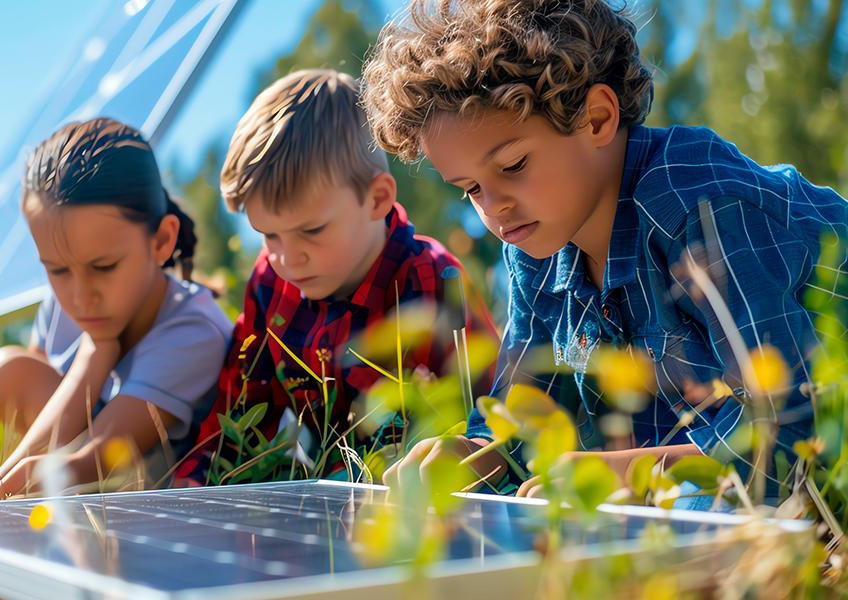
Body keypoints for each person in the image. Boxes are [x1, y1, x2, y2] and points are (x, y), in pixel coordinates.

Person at [361, 0, 847, 502]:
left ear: (596, 118)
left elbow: (792, 434)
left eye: (513, 165)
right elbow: (526, 412)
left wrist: (620, 475)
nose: (494, 208)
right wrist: (479, 451)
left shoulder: (703, 207)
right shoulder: (536, 243)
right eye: (470, 189)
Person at [174, 69, 498, 485]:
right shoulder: (270, 284)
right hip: (324, 501)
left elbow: (490, 413)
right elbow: (242, 412)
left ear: (377, 198)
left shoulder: (432, 278)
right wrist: (194, 484)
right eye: (269, 235)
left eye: (312, 231)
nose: (288, 257)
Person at [0, 118, 232, 500]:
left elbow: (90, 458)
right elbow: (44, 430)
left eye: (104, 267)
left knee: (68, 474)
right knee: (5, 372)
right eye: (58, 270)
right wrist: (96, 355)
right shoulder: (63, 304)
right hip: (84, 459)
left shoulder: (194, 332)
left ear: (161, 241)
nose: (80, 296)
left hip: (155, 484)